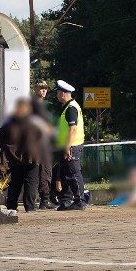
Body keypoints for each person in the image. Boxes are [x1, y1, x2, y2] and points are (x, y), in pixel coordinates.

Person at [0, 96, 43, 213]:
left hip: (14, 157)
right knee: (30, 182)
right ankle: (30, 207)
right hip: (32, 156)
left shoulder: (10, 123)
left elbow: (0, 135)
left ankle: (12, 205)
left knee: (16, 182)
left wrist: (6, 148)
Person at [54, 79, 86, 211]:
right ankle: (66, 200)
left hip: (72, 146)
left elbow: (72, 129)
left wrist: (67, 147)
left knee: (73, 173)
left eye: (57, 92)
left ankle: (80, 201)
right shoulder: (68, 106)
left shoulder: (71, 108)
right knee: (66, 174)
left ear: (62, 93)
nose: (56, 95)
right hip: (67, 145)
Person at [31, 80, 56, 209]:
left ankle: (44, 199)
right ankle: (32, 200)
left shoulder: (49, 106)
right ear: (34, 89)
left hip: (46, 143)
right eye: (41, 88)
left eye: (45, 88)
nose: (44, 90)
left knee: (46, 171)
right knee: (33, 171)